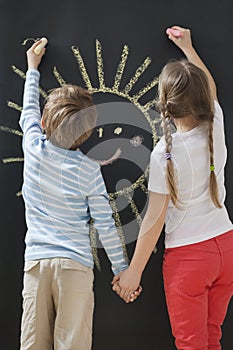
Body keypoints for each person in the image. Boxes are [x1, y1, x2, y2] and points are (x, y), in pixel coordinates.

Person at [112, 26, 233, 349]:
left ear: (166, 104)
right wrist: (189, 50)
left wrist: (133, 273)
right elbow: (210, 88)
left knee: (191, 344)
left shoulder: (164, 153)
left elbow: (154, 218)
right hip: (226, 245)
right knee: (212, 338)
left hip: (190, 258)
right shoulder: (215, 125)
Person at [19, 40, 140, 350]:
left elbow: (28, 113)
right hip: (75, 266)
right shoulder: (89, 170)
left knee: (33, 344)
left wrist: (33, 69)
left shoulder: (33, 149)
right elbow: (105, 224)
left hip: (36, 265)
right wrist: (120, 270)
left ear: (44, 124)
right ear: (87, 135)